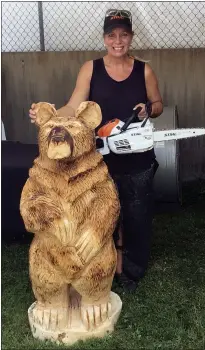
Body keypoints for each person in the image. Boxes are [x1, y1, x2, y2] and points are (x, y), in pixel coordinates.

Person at [29, 9, 163, 292]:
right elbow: (74, 104)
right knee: (100, 213)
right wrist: (50, 114)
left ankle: (132, 271)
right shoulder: (91, 69)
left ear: (131, 37)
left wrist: (147, 109)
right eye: (112, 35)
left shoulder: (144, 70)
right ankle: (103, 264)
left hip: (138, 157)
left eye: (123, 35)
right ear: (104, 38)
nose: (118, 41)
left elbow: (158, 104)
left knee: (136, 214)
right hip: (101, 158)